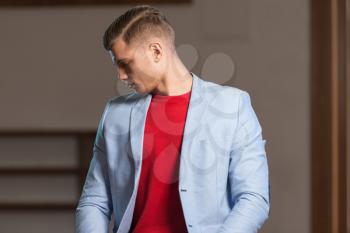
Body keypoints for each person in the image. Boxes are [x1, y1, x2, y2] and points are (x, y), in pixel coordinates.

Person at [76, 5, 270, 233]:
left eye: (125, 63)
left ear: (156, 51)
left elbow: (253, 198)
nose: (120, 75)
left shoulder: (233, 105)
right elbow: (94, 201)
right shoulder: (115, 114)